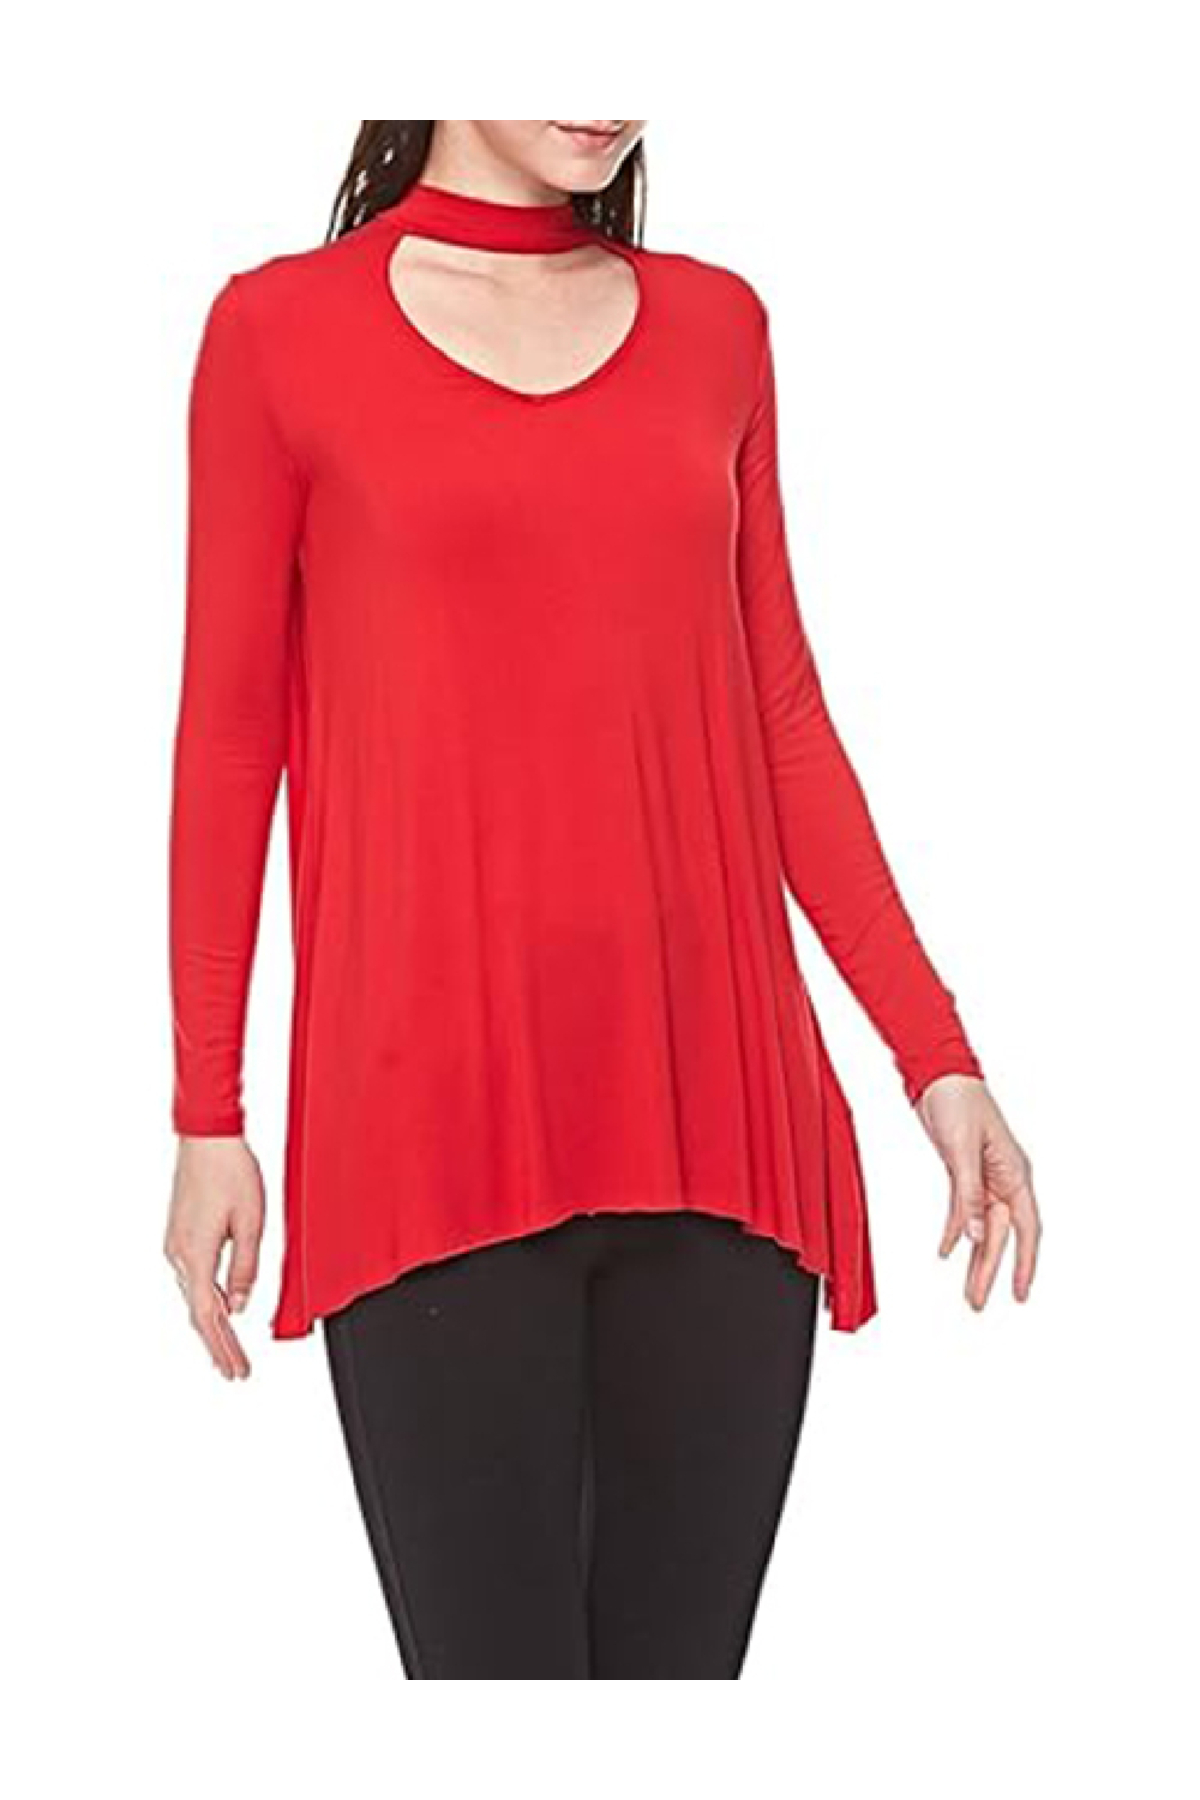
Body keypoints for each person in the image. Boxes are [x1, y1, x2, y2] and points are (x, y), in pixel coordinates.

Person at [164, 120, 1041, 1679]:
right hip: (429, 1126)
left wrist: (938, 1057)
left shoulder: (719, 327)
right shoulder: (275, 334)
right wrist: (206, 1111)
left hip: (720, 1129)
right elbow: (230, 741)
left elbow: (780, 717)